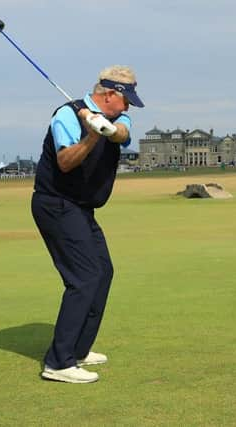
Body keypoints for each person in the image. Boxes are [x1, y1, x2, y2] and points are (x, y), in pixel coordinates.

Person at [31, 65, 144, 383]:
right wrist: (93, 135)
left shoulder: (116, 116)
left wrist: (104, 127)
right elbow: (66, 162)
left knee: (103, 272)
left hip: (81, 208)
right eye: (126, 100)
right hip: (55, 204)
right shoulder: (66, 117)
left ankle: (79, 350)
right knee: (83, 278)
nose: (129, 106)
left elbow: (124, 133)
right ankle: (58, 362)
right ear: (110, 94)